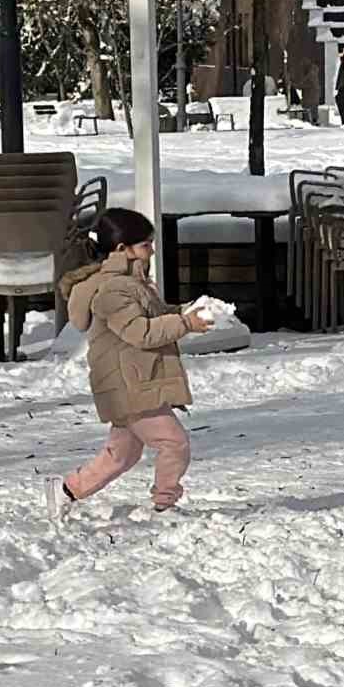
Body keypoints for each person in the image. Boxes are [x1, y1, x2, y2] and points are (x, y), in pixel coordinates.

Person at [48, 209, 213, 519]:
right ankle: (164, 504)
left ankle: (66, 490)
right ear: (121, 249)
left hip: (131, 380)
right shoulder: (113, 289)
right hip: (130, 383)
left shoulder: (130, 283)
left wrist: (185, 311)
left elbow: (154, 316)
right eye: (145, 245)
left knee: (122, 455)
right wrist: (185, 323)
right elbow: (140, 332)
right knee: (173, 443)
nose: (151, 250)